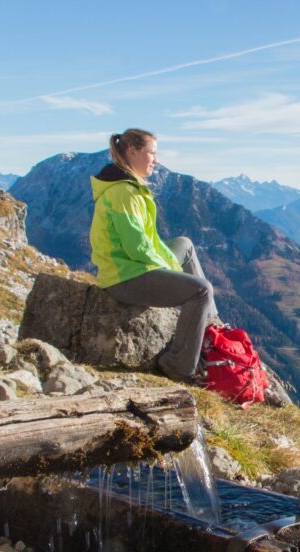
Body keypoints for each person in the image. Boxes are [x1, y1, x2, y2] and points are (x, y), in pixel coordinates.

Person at [89, 128, 217, 383]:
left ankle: (212, 327)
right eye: (152, 153)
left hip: (132, 267)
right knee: (201, 290)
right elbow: (136, 247)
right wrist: (169, 268)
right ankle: (179, 366)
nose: (156, 160)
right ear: (133, 151)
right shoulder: (123, 193)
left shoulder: (128, 186)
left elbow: (150, 241)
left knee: (184, 244)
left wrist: (170, 261)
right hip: (124, 277)